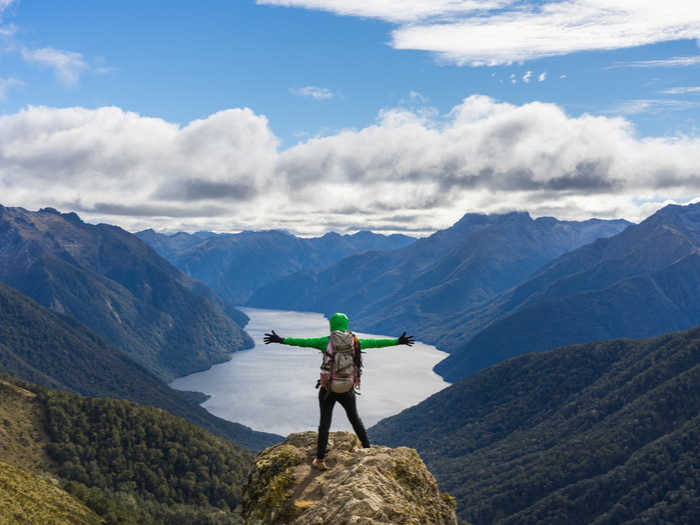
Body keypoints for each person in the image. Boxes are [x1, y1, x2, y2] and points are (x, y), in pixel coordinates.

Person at [264, 312, 414, 470]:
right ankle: (367, 449)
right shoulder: (355, 342)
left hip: (328, 388)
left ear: (332, 326)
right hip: (347, 388)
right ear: (345, 325)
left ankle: (320, 459)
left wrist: (280, 340)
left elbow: (303, 342)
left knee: (324, 423)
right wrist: (398, 341)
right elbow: (376, 343)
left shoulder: (326, 342)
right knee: (354, 418)